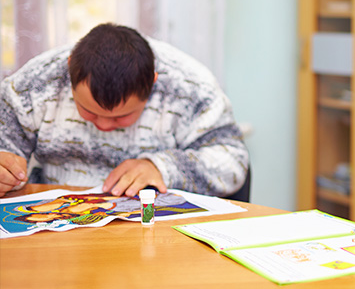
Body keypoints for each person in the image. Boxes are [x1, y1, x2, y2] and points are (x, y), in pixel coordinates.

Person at [0, 23, 249, 199]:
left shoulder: (189, 85)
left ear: (152, 83)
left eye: (121, 117)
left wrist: (162, 167)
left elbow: (233, 160)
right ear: (69, 72)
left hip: (158, 234)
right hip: (55, 232)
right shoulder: (34, 84)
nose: (104, 126)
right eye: (88, 111)